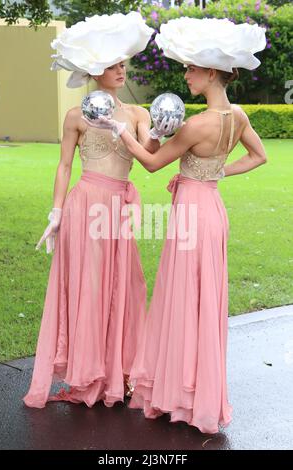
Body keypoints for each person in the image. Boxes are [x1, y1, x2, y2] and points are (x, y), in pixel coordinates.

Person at [91, 18, 268, 433]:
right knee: (203, 301)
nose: (185, 75)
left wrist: (121, 130)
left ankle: (181, 394)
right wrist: (219, 174)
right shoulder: (237, 116)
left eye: (190, 69)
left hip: (191, 211)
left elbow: (150, 163)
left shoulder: (196, 125)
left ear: (210, 73)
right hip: (212, 208)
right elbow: (259, 157)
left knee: (183, 299)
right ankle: (195, 395)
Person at [23, 12, 180, 409]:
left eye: (123, 63)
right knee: (89, 288)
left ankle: (120, 373)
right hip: (86, 203)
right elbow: (63, 166)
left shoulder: (138, 114)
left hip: (119, 207)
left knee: (125, 286)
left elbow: (150, 155)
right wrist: (55, 212)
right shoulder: (76, 116)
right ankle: (86, 371)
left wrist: (160, 135)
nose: (121, 70)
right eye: (112, 65)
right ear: (96, 70)